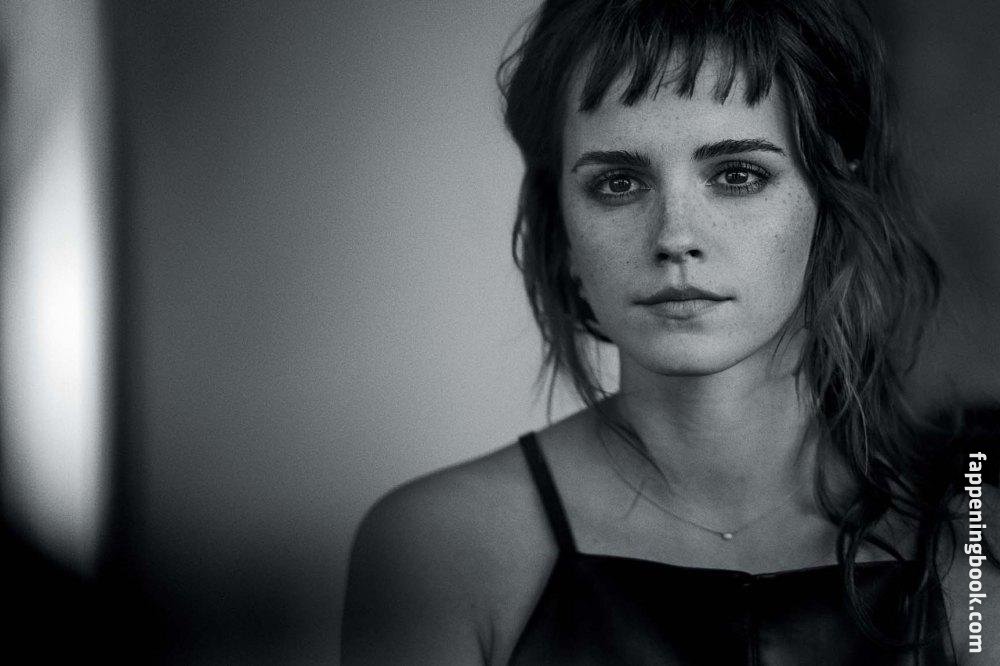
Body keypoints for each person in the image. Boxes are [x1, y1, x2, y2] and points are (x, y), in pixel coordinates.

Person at [342, 1, 999, 663]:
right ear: (560, 226)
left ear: (829, 198)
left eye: (737, 175)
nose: (675, 236)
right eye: (618, 183)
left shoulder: (971, 523)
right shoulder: (445, 547)